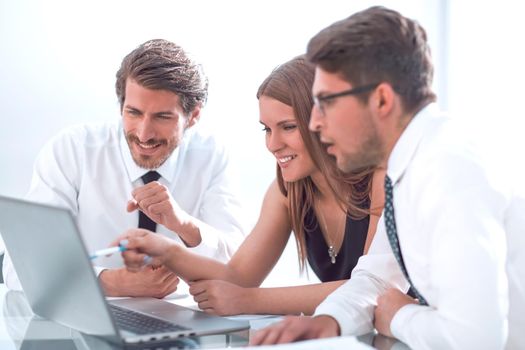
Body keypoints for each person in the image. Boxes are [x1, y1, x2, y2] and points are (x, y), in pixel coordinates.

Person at [251, 6, 525, 349]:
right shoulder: (409, 166)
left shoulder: (451, 170)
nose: (315, 123)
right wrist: (328, 321)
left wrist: (398, 316)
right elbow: (377, 274)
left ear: (381, 99)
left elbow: (474, 339)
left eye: (326, 103)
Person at [113, 56, 386, 316]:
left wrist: (249, 301)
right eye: (267, 129)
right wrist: (164, 248)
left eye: (288, 127)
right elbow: (238, 277)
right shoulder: (287, 191)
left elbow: (370, 288)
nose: (273, 144)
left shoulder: (379, 181)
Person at [2, 39, 246, 298]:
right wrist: (109, 283)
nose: (144, 134)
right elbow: (18, 267)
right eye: (134, 113)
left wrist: (184, 224)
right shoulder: (73, 150)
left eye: (162, 117)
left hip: (182, 318)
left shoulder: (212, 157)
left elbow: (242, 270)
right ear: (121, 106)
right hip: (90, 319)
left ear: (194, 116)